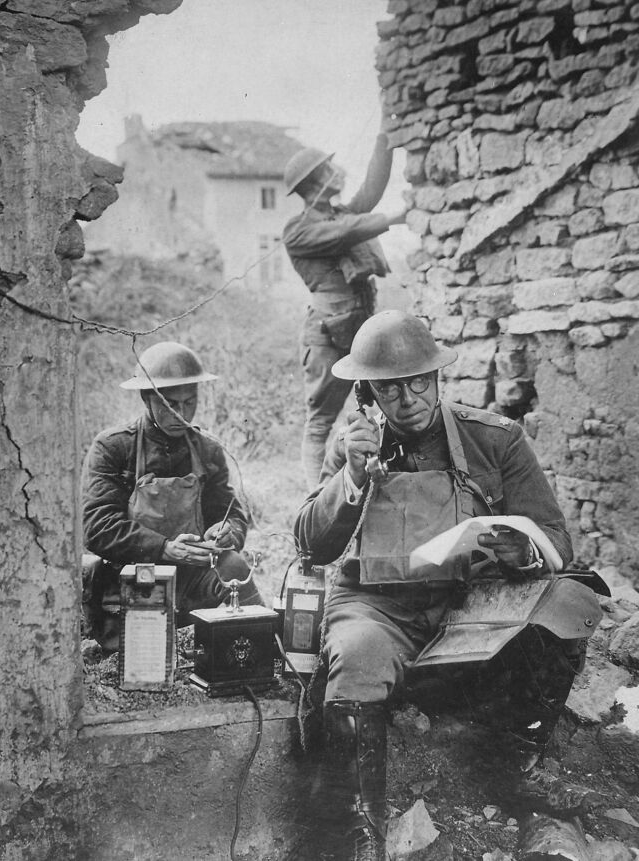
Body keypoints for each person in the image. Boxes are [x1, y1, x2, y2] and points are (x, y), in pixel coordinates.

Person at [294, 311, 602, 861]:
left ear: (437, 379)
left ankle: (520, 770)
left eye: (419, 383)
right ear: (368, 394)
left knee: (567, 601)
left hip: (471, 607)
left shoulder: (496, 439)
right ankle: (350, 833)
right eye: (390, 388)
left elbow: (556, 535)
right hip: (378, 607)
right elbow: (311, 546)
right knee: (357, 658)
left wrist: (524, 550)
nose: (408, 399)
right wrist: (353, 478)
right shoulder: (353, 450)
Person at [81, 341, 263, 652]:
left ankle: (264, 646)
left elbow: (231, 511)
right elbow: (98, 527)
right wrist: (165, 549)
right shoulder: (113, 448)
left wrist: (225, 532)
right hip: (131, 579)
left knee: (234, 567)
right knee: (139, 655)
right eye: (170, 404)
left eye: (190, 402)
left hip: (192, 582)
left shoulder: (207, 449)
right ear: (146, 398)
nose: (181, 414)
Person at [282, 126, 409, 490]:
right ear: (312, 183)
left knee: (379, 403)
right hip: (325, 335)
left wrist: (383, 133)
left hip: (359, 328)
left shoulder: (341, 214)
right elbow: (345, 233)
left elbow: (372, 187)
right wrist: (394, 217)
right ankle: (316, 496)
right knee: (320, 421)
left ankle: (368, 480)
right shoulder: (298, 230)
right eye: (327, 170)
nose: (336, 173)